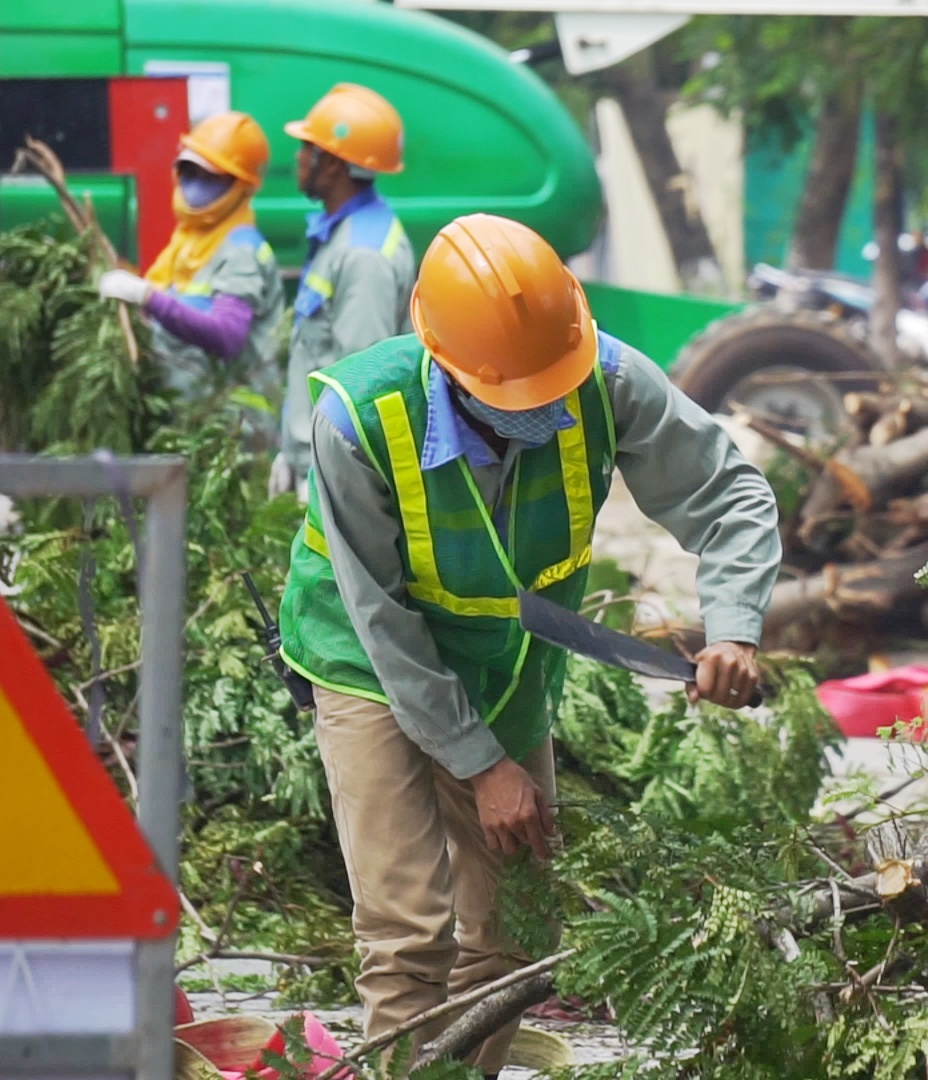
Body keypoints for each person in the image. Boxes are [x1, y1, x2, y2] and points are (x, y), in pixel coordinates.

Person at [277, 213, 780, 1070]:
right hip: (367, 659)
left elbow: (731, 496)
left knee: (516, 933)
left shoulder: (607, 378)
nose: (546, 405)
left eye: (555, 384)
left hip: (507, 665)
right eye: (520, 394)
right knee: (409, 939)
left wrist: (733, 629)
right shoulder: (355, 421)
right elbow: (385, 618)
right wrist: (480, 765)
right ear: (449, 363)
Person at [271, 83, 415, 499]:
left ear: (331, 164)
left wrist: (324, 480)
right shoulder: (343, 236)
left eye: (305, 147)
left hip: (334, 478)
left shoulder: (362, 255)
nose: (297, 157)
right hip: (316, 464)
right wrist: (291, 452)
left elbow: (359, 387)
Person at [95, 112, 285, 411]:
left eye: (211, 176)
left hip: (232, 428)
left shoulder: (241, 251)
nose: (195, 184)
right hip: (188, 417)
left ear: (240, 186)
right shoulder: (187, 240)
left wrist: (148, 298)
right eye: (189, 171)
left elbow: (227, 335)